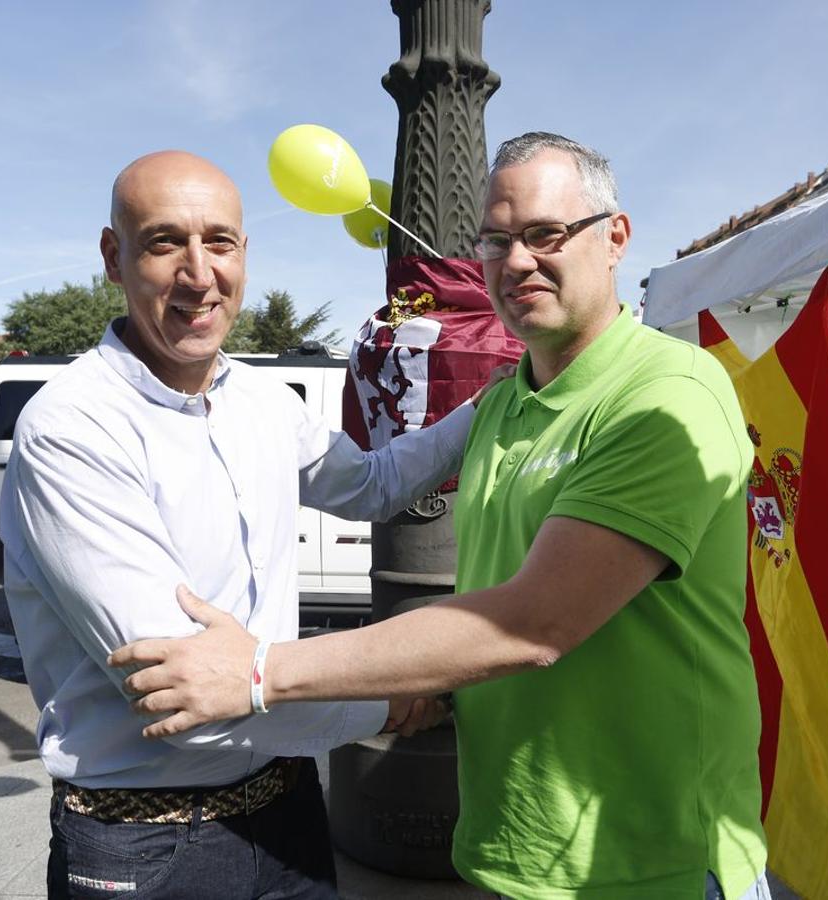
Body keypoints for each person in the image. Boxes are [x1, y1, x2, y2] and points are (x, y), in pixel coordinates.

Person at [111, 133, 770, 900]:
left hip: (650, 865)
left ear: (614, 237)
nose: (516, 261)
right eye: (496, 239)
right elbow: (395, 499)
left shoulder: (666, 394)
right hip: (515, 851)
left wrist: (262, 671)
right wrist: (412, 683)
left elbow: (537, 621)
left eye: (545, 234)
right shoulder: (504, 400)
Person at [0, 150, 481, 899]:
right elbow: (185, 695)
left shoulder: (261, 399)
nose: (199, 273)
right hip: (147, 848)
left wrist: (493, 403)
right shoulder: (72, 427)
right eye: (165, 242)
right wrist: (390, 697)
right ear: (112, 258)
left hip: (286, 811)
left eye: (219, 241)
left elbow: (376, 485)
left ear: (244, 255)